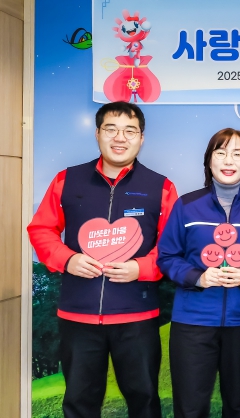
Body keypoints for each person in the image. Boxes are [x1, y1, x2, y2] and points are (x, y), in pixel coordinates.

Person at [27, 101, 177, 418]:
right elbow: (41, 229)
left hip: (137, 317)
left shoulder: (161, 187)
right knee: (79, 403)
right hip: (78, 317)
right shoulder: (66, 180)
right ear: (97, 133)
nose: (120, 138)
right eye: (111, 129)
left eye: (129, 131)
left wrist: (141, 268)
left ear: (141, 138)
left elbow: (172, 246)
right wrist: (67, 259)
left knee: (145, 401)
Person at [157, 128, 240, 417]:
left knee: (238, 406)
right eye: (221, 153)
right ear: (209, 161)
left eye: (237, 154)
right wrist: (198, 277)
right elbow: (167, 256)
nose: (228, 160)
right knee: (190, 408)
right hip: (192, 322)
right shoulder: (186, 205)